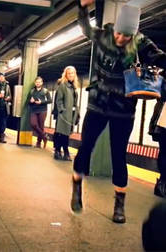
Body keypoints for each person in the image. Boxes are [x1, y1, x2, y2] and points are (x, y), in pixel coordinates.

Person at [71, 0, 166, 224]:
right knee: (86, 148)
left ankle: (119, 204)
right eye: (119, 34)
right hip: (97, 104)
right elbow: (85, 28)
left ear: (133, 34)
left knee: (118, 154)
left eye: (127, 36)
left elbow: (160, 57)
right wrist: (83, 8)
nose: (121, 39)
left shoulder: (140, 42)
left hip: (124, 109)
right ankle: (76, 186)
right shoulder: (104, 35)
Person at [54, 66, 80, 161]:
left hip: (72, 113)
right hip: (65, 114)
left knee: (66, 133)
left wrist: (77, 114)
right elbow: (59, 100)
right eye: (69, 73)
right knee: (62, 133)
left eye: (72, 73)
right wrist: (61, 110)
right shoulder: (63, 85)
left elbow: (75, 102)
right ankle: (61, 151)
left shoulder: (74, 86)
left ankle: (61, 151)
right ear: (66, 74)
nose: (71, 75)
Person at [148, 98, 166, 198]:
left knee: (164, 151)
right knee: (164, 151)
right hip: (163, 119)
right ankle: (162, 183)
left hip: (162, 119)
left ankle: (161, 184)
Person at [29, 76, 51, 148]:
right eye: (36, 82)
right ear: (35, 83)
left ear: (42, 83)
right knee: (33, 124)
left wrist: (41, 102)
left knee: (41, 126)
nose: (38, 83)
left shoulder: (45, 91)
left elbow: (50, 100)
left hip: (42, 110)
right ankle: (44, 136)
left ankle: (39, 142)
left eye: (39, 82)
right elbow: (28, 102)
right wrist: (31, 101)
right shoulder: (32, 91)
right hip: (34, 110)